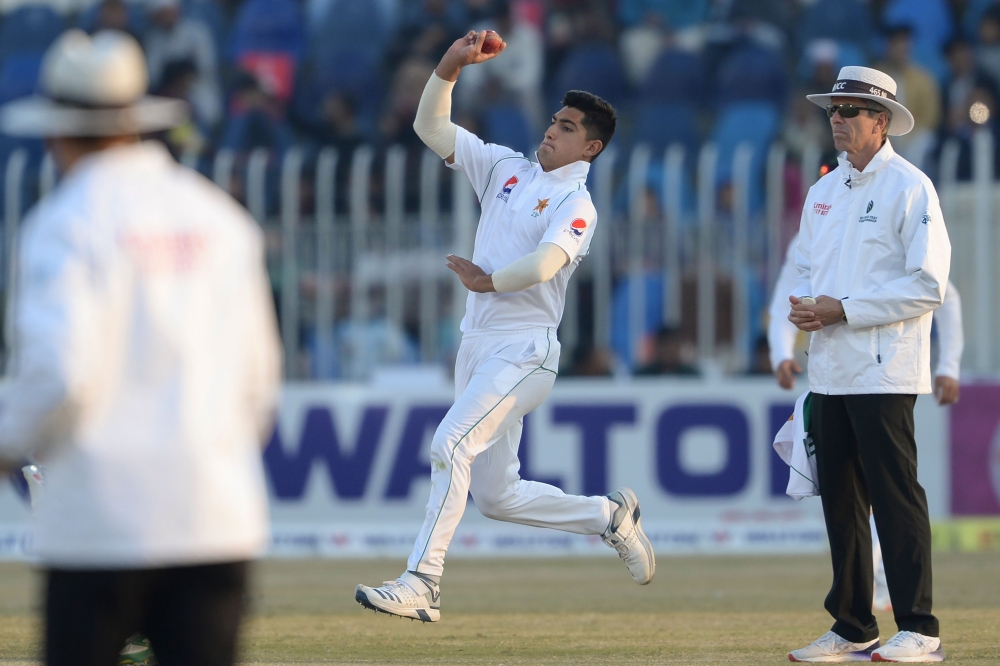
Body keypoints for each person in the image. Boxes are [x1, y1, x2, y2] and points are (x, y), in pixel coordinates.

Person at [0, 30, 282, 666]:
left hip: (100, 521)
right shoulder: (219, 219)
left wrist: (7, 442)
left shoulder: (64, 224)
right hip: (213, 515)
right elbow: (259, 384)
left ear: (54, 131)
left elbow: (58, 372)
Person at [355, 29, 654, 623]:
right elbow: (430, 129)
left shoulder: (577, 206)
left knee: (449, 444)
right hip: (479, 345)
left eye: (568, 127)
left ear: (591, 148)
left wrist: (490, 281)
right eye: (554, 119)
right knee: (497, 495)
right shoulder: (503, 169)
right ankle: (608, 516)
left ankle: (424, 581)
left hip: (527, 351)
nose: (552, 129)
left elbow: (545, 264)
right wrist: (449, 65)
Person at [785, 66, 951, 663]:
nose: (838, 119)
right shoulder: (823, 192)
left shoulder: (911, 187)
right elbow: (805, 265)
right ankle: (854, 625)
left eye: (851, 110)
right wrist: (805, 305)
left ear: (881, 122)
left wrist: (844, 310)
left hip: (884, 366)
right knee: (842, 500)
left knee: (895, 495)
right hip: (829, 368)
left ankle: (921, 627)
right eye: (833, 109)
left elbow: (929, 285)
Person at [768, 233, 964, 615]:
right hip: (831, 372)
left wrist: (949, 364)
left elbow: (942, 292)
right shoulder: (817, 223)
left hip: (884, 372)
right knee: (848, 493)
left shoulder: (895, 210)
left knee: (886, 489)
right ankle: (860, 608)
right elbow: (787, 298)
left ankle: (902, 607)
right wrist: (780, 352)